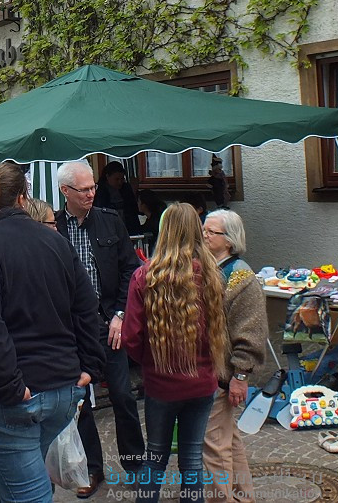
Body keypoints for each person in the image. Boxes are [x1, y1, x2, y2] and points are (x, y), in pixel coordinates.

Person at [0, 162, 103, 503]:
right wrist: (88, 366)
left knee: (27, 492)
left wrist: (10, 388)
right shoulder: (54, 241)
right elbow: (87, 306)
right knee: (9, 483)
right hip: (57, 388)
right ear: (23, 198)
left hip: (16, 397)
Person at [122, 204, 230, 502]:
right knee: (192, 459)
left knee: (155, 457)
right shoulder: (211, 275)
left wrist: (152, 362)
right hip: (202, 382)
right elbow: (218, 331)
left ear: (163, 232)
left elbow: (131, 337)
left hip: (161, 384)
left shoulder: (146, 278)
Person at [55, 160, 144, 497]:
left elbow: (130, 272)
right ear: (66, 191)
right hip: (74, 329)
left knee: (122, 395)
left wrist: (121, 314)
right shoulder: (52, 227)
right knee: (81, 403)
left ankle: (135, 465)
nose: (92, 193)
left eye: (93, 186)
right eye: (84, 189)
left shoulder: (110, 221)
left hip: (109, 323)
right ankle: (92, 470)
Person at [201, 209, 266, 502]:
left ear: (228, 241)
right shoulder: (210, 268)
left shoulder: (241, 276)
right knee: (229, 439)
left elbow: (250, 334)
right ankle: (243, 497)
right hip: (214, 371)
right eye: (204, 229)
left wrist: (240, 375)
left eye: (210, 232)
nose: (203, 235)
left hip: (223, 374)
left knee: (213, 446)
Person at [93, 161, 142, 234]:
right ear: (107, 177)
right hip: (108, 228)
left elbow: (133, 209)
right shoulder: (100, 191)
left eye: (122, 179)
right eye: (116, 179)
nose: (120, 182)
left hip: (128, 228)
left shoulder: (126, 188)